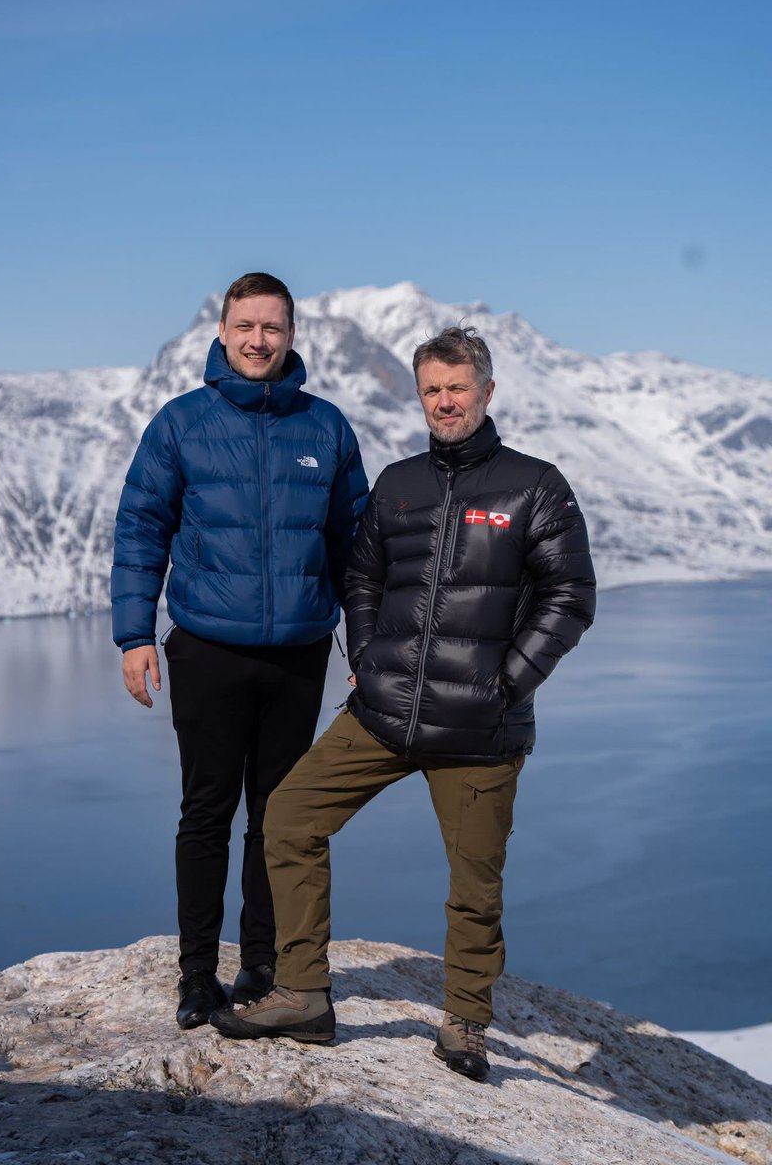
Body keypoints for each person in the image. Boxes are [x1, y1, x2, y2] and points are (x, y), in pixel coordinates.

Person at [210, 325, 596, 1082]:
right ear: (419, 395)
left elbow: (570, 596)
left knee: (474, 885)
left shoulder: (534, 485)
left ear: (487, 392)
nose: (444, 402)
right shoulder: (400, 482)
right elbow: (361, 577)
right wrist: (365, 655)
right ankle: (302, 994)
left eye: (457, 388)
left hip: (481, 729)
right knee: (288, 818)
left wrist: (506, 683)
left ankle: (464, 1025)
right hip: (383, 714)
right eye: (432, 390)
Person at [111, 272, 368, 1030]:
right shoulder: (181, 423)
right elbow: (141, 529)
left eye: (273, 328)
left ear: (292, 337)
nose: (259, 340)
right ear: (222, 333)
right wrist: (134, 635)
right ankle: (198, 976)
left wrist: (365, 642)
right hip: (207, 649)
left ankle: (265, 966)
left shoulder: (325, 428)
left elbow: (355, 547)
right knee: (207, 812)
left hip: (297, 652)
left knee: (280, 815)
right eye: (246, 326)